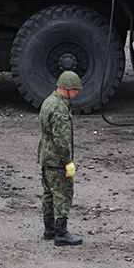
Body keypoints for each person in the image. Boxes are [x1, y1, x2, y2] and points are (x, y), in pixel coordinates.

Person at [38, 70, 83, 246]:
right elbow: (62, 139)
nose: (77, 92)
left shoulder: (48, 101)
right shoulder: (60, 109)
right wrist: (68, 162)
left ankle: (49, 230)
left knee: (49, 193)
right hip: (57, 160)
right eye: (75, 89)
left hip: (46, 156)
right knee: (63, 194)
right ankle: (61, 234)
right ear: (67, 88)